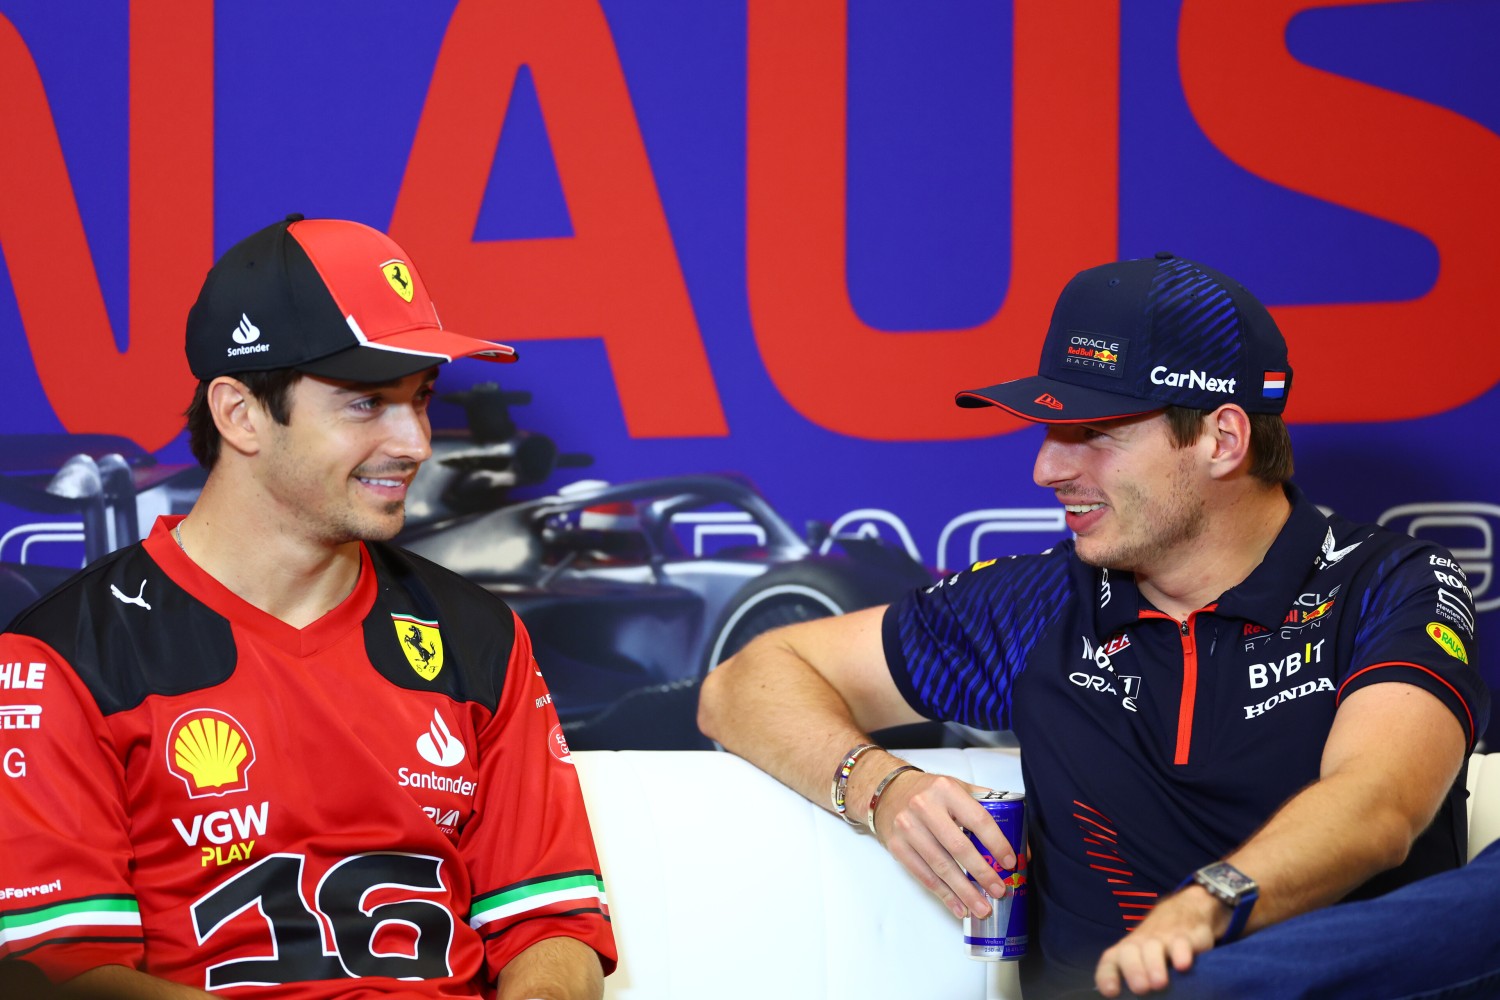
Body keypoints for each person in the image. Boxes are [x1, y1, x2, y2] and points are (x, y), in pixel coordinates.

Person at [698, 252, 1489, 998]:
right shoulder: (1042, 603)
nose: (1048, 468)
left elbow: (1380, 802)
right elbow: (742, 686)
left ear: (1222, 440)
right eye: (1050, 432)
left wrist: (1204, 908)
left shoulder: (1388, 583)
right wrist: (879, 786)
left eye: (1093, 434)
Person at [0, 215, 616, 999]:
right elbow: (58, 978)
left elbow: (550, 928)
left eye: (419, 399)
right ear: (240, 414)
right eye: (366, 404)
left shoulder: (480, 635)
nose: (416, 442)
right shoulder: (67, 654)